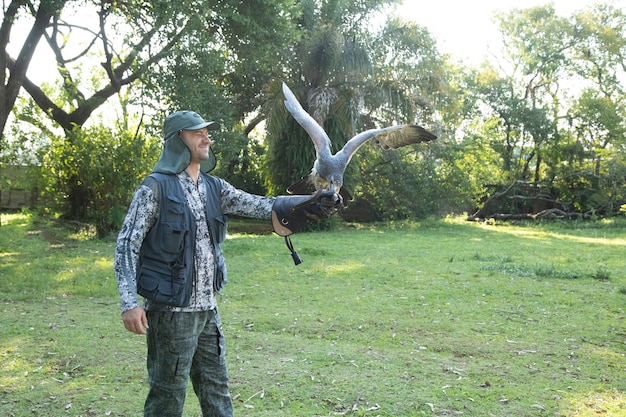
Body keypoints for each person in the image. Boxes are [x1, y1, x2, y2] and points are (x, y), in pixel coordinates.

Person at [114, 110, 340, 417]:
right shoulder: (154, 189)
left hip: (208, 312)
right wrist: (130, 303)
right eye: (198, 133)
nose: (207, 138)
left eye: (207, 132)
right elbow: (127, 245)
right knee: (166, 398)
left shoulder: (215, 187)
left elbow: (259, 204)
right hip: (170, 314)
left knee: (217, 393)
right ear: (177, 140)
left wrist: (309, 202)